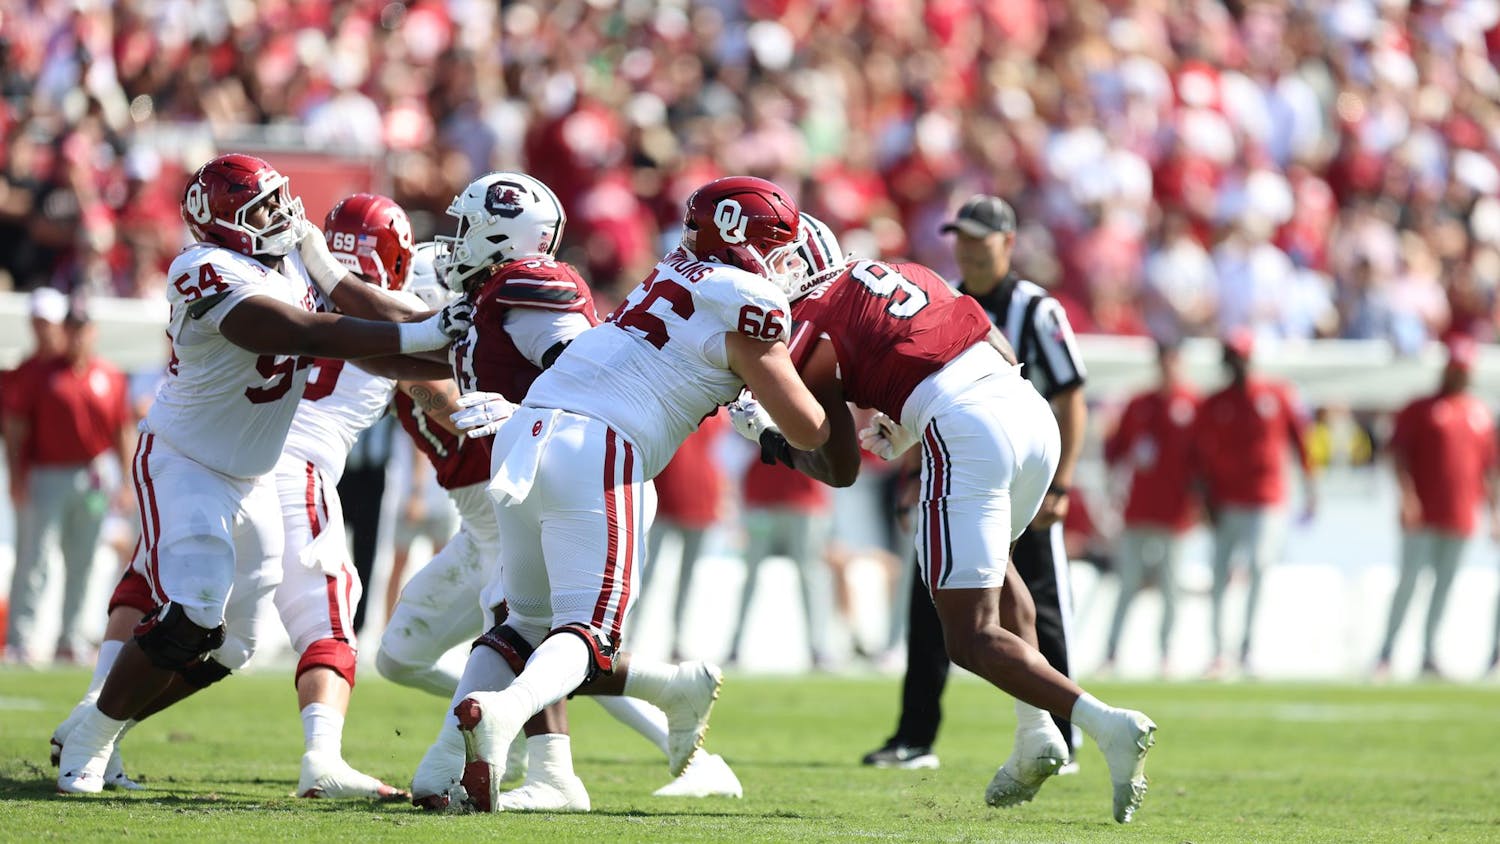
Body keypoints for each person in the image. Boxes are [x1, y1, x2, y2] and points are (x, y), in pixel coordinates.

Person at [55, 153, 472, 794]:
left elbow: (367, 324)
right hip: (186, 462)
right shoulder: (202, 267)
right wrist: (431, 333)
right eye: (264, 209)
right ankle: (88, 741)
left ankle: (95, 723)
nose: (282, 215)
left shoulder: (292, 264)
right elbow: (301, 330)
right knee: (193, 611)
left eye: (282, 201)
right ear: (222, 223)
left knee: (238, 642)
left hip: (251, 476)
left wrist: (447, 341)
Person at [731, 212, 1155, 823]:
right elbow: (993, 344)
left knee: (968, 635)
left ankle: (1105, 723)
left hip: (965, 426)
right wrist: (905, 423)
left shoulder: (815, 322)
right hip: (1026, 411)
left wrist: (771, 439)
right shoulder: (904, 271)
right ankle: (1037, 733)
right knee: (1003, 573)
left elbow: (839, 463)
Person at [442, 176, 828, 813]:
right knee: (590, 633)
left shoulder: (671, 270)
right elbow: (808, 428)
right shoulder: (749, 300)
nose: (785, 264)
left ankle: (443, 775)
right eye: (777, 246)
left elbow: (687, 360)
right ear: (747, 241)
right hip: (598, 445)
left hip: (528, 429)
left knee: (523, 623)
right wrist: (835, 394)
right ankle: (504, 714)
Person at [864, 195, 1089, 770]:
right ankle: (915, 736)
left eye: (979, 237)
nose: (966, 247)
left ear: (1008, 243)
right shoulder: (944, 302)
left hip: (1023, 474)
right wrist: (915, 474)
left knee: (1039, 603)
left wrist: (1059, 484)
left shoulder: (1037, 310)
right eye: (959, 237)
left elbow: (1070, 395)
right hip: (955, 470)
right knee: (929, 600)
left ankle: (1063, 732)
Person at [3, 292, 132, 665]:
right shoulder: (42, 373)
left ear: (92, 332)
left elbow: (121, 429)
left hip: (93, 473)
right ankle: (20, 639)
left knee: (84, 558)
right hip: (47, 471)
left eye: (82, 329)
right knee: (35, 557)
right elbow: (16, 426)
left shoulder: (108, 375)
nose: (76, 337)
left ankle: (70, 637)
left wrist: (123, 480)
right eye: (71, 329)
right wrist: (17, 473)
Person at [1189, 330, 1316, 678]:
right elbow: (1197, 457)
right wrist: (1203, 500)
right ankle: (1218, 651)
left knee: (1259, 568)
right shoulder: (1214, 403)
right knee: (1219, 574)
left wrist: (1311, 489)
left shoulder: (1277, 394)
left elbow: (1301, 442)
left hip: (1266, 499)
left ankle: (1247, 648)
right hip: (1225, 502)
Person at [1375, 338, 1496, 679]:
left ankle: (1429, 652)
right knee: (1409, 582)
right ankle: (1386, 651)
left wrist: (1494, 513)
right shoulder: (1420, 409)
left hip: (1460, 515)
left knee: (1445, 586)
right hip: (1423, 514)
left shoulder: (1479, 413)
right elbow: (1398, 456)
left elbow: (1488, 470)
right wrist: (1407, 497)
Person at [1100, 340, 1200, 676]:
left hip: (1175, 514)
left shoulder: (1192, 405)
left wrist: (1200, 504)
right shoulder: (1139, 403)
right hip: (1139, 510)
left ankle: (1166, 653)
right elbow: (1115, 450)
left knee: (1171, 587)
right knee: (1127, 583)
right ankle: (1112, 652)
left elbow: (1202, 462)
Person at [727, 450, 835, 669]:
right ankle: (735, 647)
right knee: (750, 576)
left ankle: (818, 647)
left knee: (810, 575)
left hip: (803, 500)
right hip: (762, 499)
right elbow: (732, 447)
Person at [642, 415, 726, 662]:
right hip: (664, 502)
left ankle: (677, 640)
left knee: (687, 578)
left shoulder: (719, 413)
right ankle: (628, 635)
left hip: (701, 501)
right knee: (646, 574)